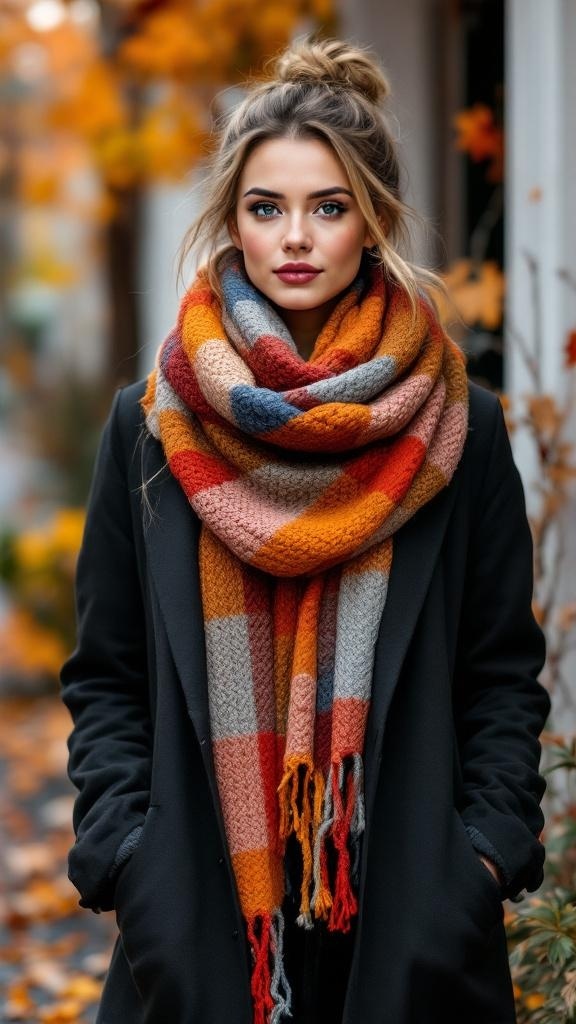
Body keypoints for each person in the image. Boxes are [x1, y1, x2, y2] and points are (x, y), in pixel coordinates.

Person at [61, 36, 551, 1024]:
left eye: (328, 207)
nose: (296, 237)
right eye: (266, 207)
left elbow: (500, 673)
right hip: (201, 921)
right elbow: (106, 674)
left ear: (371, 221)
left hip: (408, 924)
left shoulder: (462, 427)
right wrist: (126, 856)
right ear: (232, 224)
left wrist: (482, 860)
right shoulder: (151, 424)